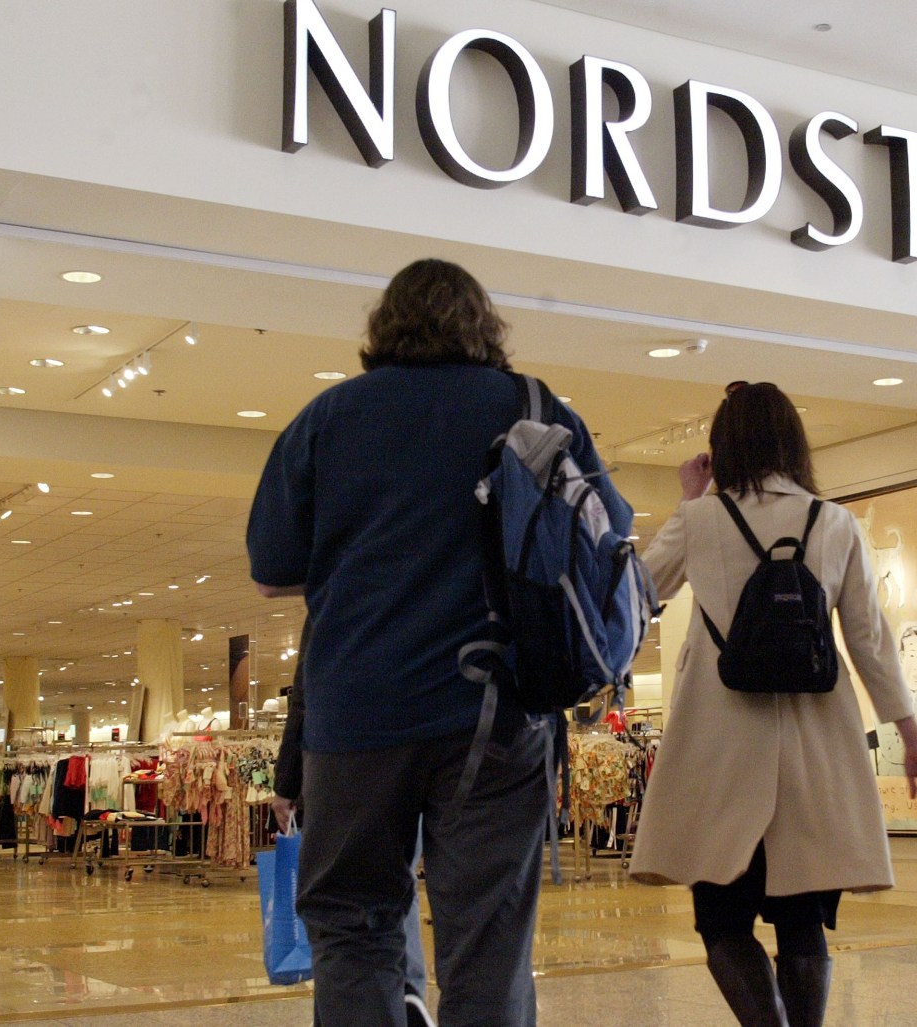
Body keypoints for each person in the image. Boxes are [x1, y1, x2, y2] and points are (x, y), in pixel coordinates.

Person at [247, 258, 632, 1027]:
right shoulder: (535, 408)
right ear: (486, 326)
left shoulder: (328, 417)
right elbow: (607, 538)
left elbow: (270, 571)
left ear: (383, 327)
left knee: (353, 929)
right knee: (488, 945)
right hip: (495, 710)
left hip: (355, 716)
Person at [628, 381, 917, 1027]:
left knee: (722, 919)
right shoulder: (834, 522)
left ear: (723, 445)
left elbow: (637, 591)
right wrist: (912, 736)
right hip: (814, 747)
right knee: (802, 919)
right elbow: (870, 640)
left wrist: (690, 500)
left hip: (719, 746)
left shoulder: (702, 518)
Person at [270, 619, 435, 1027]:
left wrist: (287, 780)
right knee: (410, 889)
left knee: (344, 905)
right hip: (451, 741)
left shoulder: (340, 592)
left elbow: (307, 688)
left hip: (350, 753)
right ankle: (408, 993)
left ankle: (391, 998)